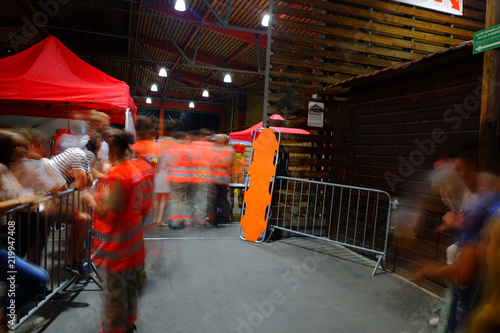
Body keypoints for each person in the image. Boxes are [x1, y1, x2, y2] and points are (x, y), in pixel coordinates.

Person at [89, 129, 149, 333]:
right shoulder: (133, 169)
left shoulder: (117, 175)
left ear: (113, 150)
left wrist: (89, 200)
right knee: (129, 288)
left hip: (115, 251)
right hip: (133, 248)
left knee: (114, 295)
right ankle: (128, 323)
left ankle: (116, 329)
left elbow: (109, 211)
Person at [209, 134, 234, 227]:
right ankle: (222, 217)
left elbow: (225, 163)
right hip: (222, 178)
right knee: (221, 198)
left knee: (216, 199)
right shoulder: (229, 150)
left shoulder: (224, 150)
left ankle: (217, 218)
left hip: (217, 178)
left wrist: (216, 160)